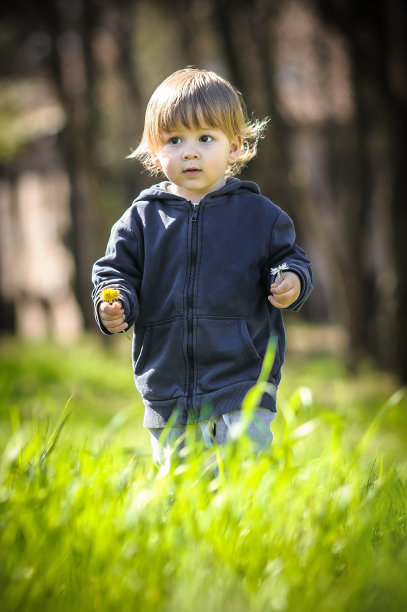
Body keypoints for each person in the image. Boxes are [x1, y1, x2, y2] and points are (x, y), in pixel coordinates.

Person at [91, 68, 313, 467]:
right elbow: (114, 273)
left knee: (245, 483)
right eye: (174, 140)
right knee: (179, 492)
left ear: (234, 147)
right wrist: (115, 303)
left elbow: (291, 259)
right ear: (157, 152)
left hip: (243, 381)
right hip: (167, 386)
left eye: (205, 138)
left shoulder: (259, 216)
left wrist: (291, 280)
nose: (189, 151)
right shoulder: (141, 219)